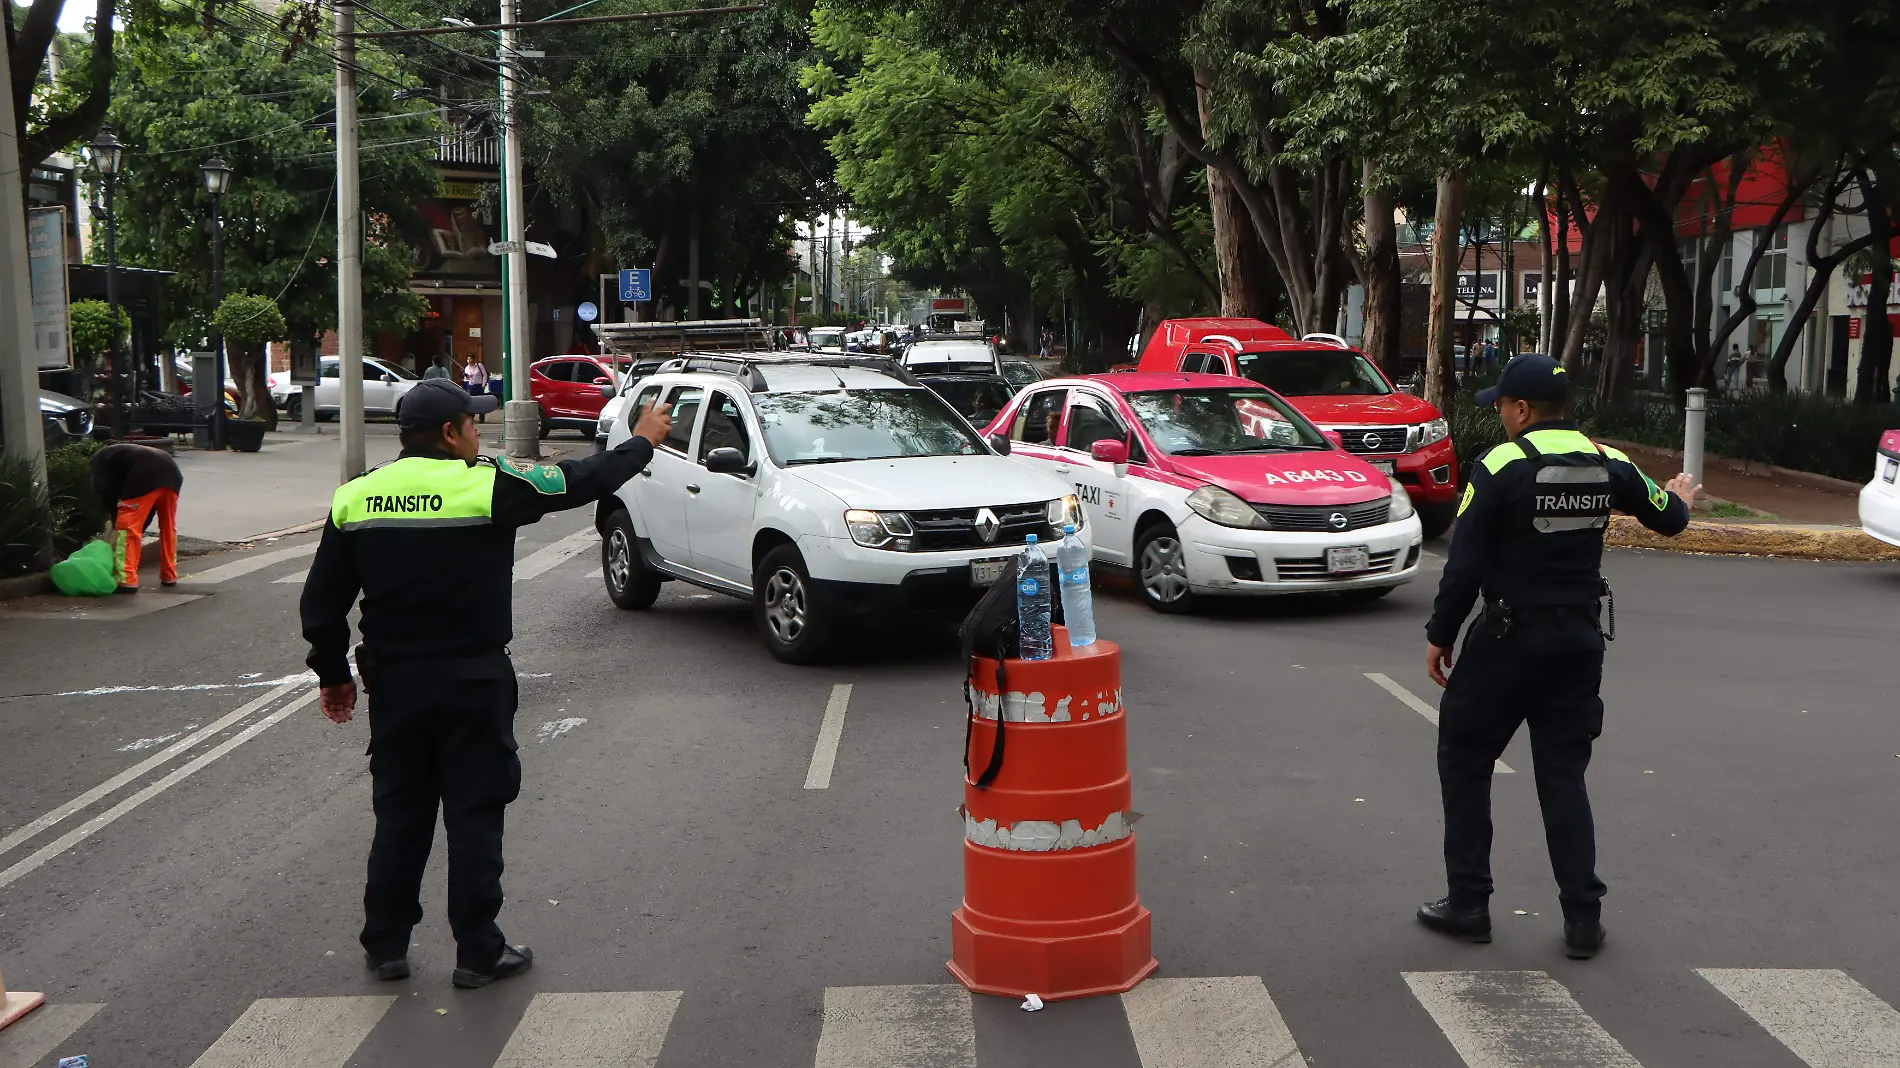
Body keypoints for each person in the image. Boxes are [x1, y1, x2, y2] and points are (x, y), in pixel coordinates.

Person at [299, 377, 672, 989]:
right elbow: (582, 481)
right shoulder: (487, 486)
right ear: (450, 433)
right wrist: (640, 444)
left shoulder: (355, 498)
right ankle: (477, 951)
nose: (480, 432)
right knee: (474, 813)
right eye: (474, 423)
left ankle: (386, 945)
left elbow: (321, 605)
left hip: (396, 683)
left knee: (399, 813)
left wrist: (334, 675)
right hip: (472, 679)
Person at [1417, 353, 1699, 960]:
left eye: (1501, 405)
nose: (1498, 415)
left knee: (1465, 759)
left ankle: (1468, 903)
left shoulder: (1503, 464)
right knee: (1562, 776)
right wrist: (1679, 495)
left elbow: (1463, 565)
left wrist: (1440, 634)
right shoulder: (1608, 460)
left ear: (1522, 409)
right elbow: (1671, 518)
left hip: (1507, 642)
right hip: (1578, 643)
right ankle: (1582, 919)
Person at [92, 442, 183, 593]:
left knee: (127, 529)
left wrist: (115, 518)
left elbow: (104, 490)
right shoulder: (123, 454)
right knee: (168, 527)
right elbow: (150, 508)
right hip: (172, 475)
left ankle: (126, 579)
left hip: (144, 476)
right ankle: (169, 574)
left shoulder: (98, 461)